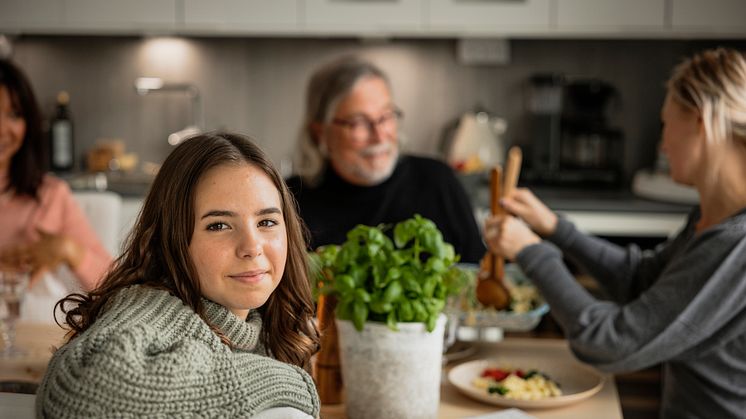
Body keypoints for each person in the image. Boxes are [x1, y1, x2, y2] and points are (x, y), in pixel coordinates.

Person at [485, 48, 746, 419]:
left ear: (701, 124)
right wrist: (554, 228)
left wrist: (530, 251)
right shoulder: (713, 217)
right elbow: (640, 280)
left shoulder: (736, 245)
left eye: (666, 124)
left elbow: (609, 344)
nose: (662, 145)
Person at [37, 132, 321, 418]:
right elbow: (86, 395)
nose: (251, 247)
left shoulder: (263, 325)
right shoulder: (152, 309)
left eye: (267, 221)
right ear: (171, 240)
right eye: (219, 226)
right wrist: (285, 380)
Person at [286, 56, 485, 263]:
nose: (380, 135)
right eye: (359, 122)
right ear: (320, 132)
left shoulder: (437, 181)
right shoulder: (292, 202)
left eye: (386, 116)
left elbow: (479, 276)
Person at [0, 59, 111, 321]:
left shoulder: (51, 195)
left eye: (14, 114)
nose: (2, 129)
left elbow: (114, 284)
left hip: (29, 339)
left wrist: (67, 249)